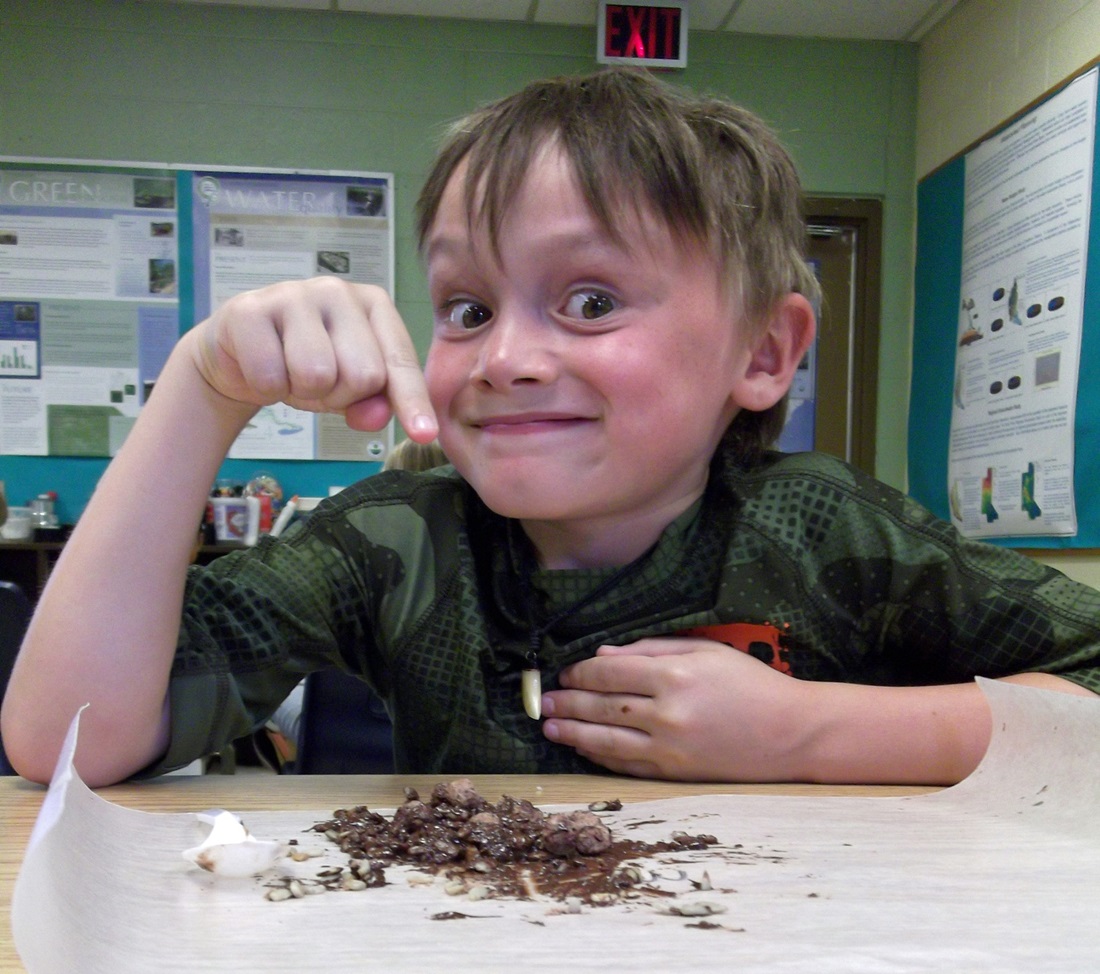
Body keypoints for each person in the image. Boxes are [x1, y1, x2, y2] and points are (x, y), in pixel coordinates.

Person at [3, 68, 1098, 789]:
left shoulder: (824, 529)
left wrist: (806, 732)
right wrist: (202, 387)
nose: (504, 356)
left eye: (588, 301)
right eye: (468, 309)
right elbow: (68, 742)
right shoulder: (398, 538)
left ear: (762, 353)